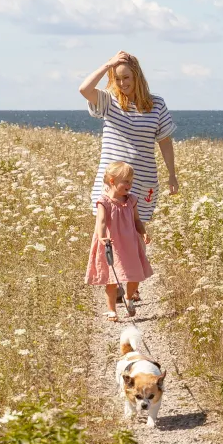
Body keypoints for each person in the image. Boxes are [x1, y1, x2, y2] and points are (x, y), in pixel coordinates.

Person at [79, 51, 177, 303]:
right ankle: (114, 283)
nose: (122, 83)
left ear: (137, 76)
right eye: (117, 77)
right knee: (108, 235)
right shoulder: (109, 102)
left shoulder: (157, 105)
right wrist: (107, 64)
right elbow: (84, 89)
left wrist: (172, 175)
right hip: (110, 184)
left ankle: (131, 284)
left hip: (143, 182)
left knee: (135, 234)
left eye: (127, 77)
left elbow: (165, 141)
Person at [85, 161, 153, 321]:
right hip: (112, 244)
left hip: (129, 244)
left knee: (135, 276)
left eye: (131, 181)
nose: (130, 184)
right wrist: (102, 237)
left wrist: (143, 232)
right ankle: (111, 310)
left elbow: (137, 220)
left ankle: (129, 298)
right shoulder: (104, 202)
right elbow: (101, 221)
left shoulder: (131, 200)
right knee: (111, 278)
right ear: (112, 181)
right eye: (126, 181)